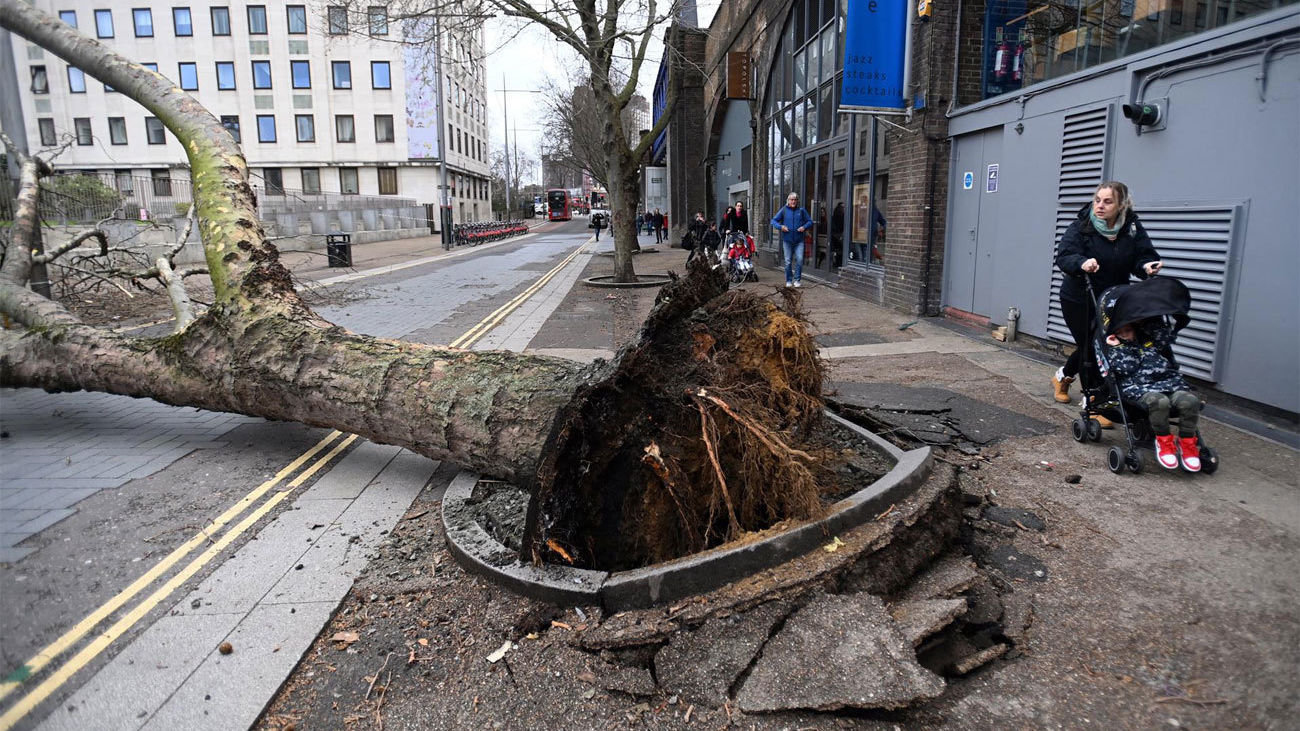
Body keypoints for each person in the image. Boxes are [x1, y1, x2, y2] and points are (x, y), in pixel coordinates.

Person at [1052, 181, 1162, 426]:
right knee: (1091, 345)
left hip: (1113, 298)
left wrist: (1147, 266)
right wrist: (1082, 263)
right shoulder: (1082, 226)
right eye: (1097, 200)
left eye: (1107, 201)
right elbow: (1065, 256)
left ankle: (1064, 376)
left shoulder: (1131, 227)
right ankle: (1093, 402)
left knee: (1097, 344)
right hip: (1080, 297)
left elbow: (1142, 254)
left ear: (1121, 205)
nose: (1100, 206)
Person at [1104, 320, 1202, 472]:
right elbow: (1126, 368)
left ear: (1135, 329)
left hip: (1168, 383)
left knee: (1190, 401)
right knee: (1160, 402)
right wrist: (1118, 346)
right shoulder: (1116, 348)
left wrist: (1153, 321)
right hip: (1139, 388)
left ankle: (1187, 442)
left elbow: (1165, 339)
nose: (1124, 334)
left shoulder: (1151, 341)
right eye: (1120, 332)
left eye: (1127, 330)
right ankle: (1163, 441)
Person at [771, 192, 812, 287]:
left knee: (800, 260)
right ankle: (789, 280)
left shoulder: (801, 210)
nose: (793, 201)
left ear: (797, 201)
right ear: (788, 201)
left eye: (795, 200)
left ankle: (797, 280)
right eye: (791, 200)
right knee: (788, 261)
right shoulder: (784, 210)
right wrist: (781, 227)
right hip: (787, 241)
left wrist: (804, 227)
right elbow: (773, 221)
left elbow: (810, 221)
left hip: (799, 241)